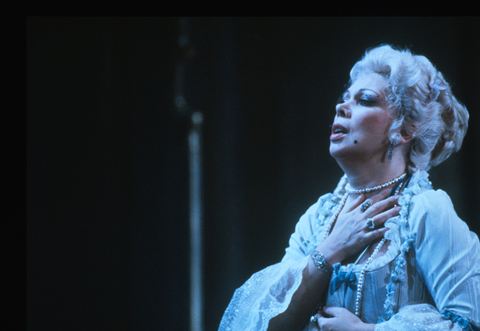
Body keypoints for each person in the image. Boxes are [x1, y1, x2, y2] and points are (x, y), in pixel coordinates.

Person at [218, 45, 480, 331]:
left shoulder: (426, 211)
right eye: (344, 98)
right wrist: (330, 249)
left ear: (405, 130)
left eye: (365, 100)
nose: (341, 107)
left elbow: (467, 323)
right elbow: (268, 324)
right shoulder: (317, 219)